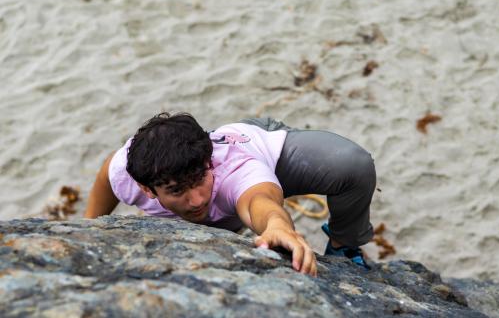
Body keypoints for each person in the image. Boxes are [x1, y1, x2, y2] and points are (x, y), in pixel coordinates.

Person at [84, 113, 377, 277]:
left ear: (208, 160)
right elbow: (105, 177)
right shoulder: (126, 172)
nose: (196, 199)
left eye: (199, 179)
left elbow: (259, 200)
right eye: (176, 191)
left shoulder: (235, 171)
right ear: (146, 189)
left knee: (352, 165)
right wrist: (88, 230)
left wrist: (276, 225)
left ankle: (344, 246)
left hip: (261, 147)